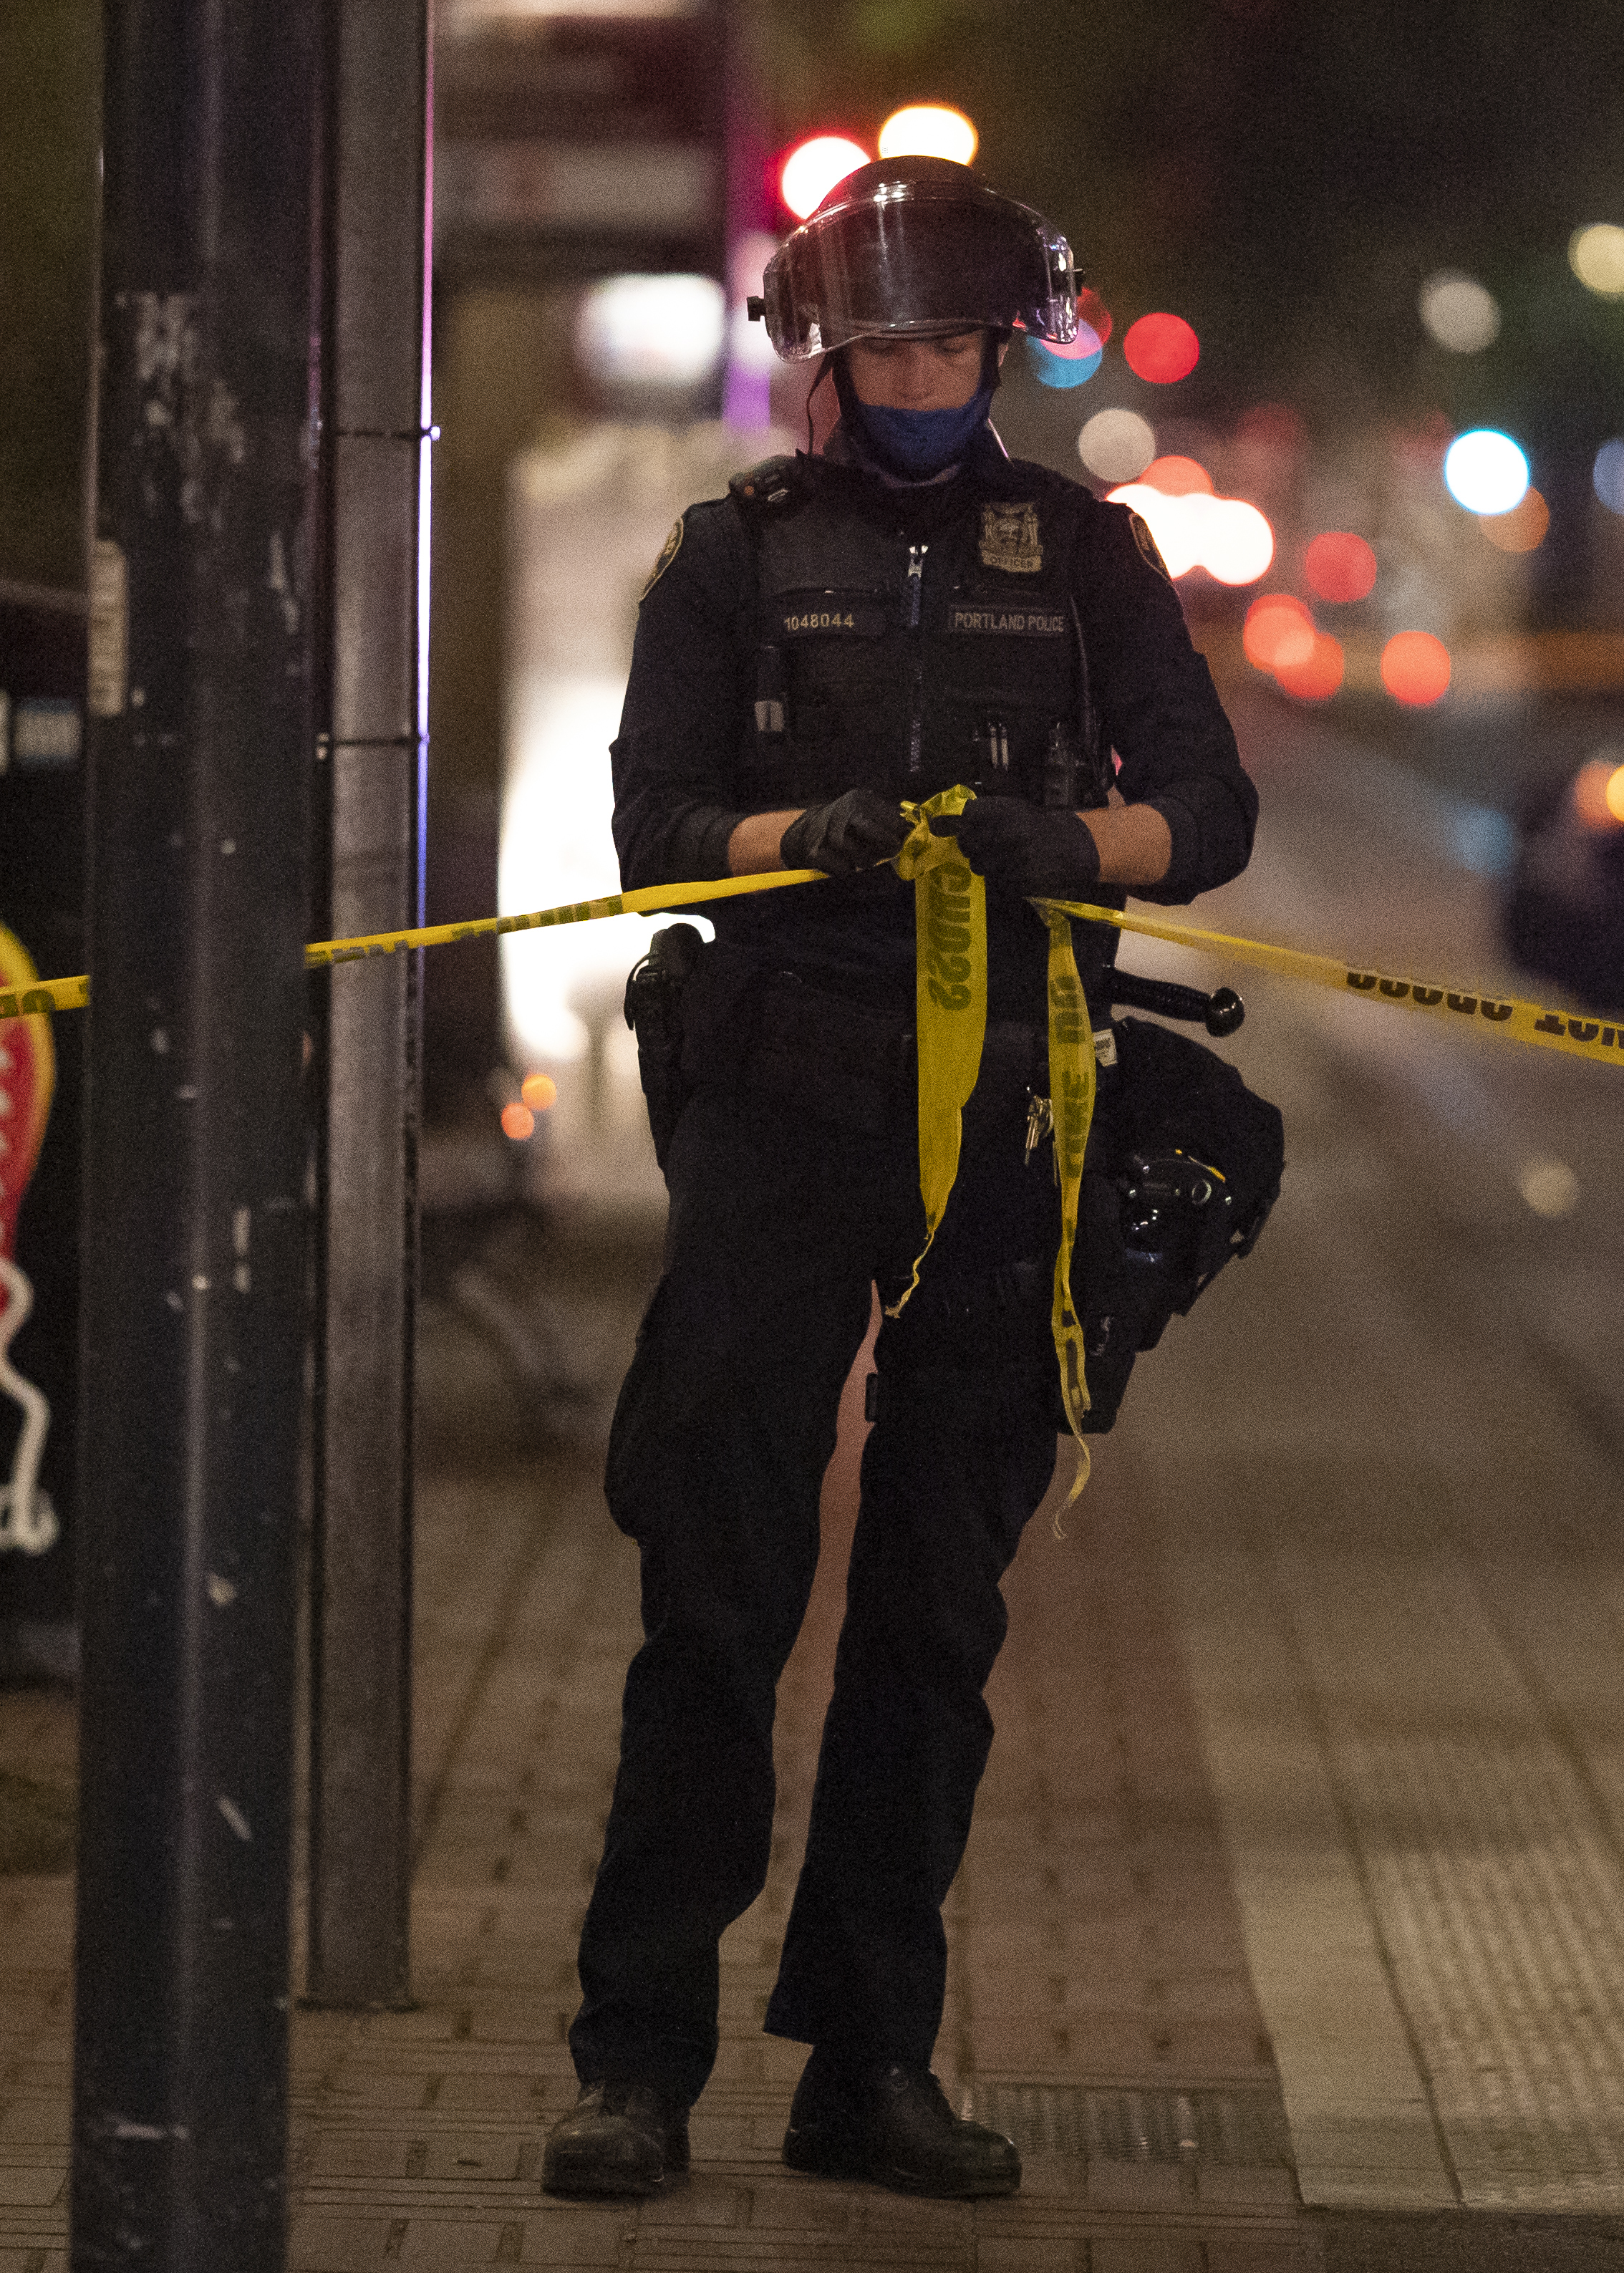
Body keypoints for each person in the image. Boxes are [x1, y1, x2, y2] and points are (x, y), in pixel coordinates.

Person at [540, 155, 1257, 2201]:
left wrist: (1078, 855)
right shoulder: (735, 555)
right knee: (720, 1583)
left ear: (1001, 349)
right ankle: (638, 2061)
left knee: (937, 1604)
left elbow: (1210, 809)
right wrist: (803, 838)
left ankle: (869, 2064)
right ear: (826, 360)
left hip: (1017, 1109)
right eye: (888, 344)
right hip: (785, 1105)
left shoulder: (1095, 557)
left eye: (953, 339)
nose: (922, 372)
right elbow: (657, 828)